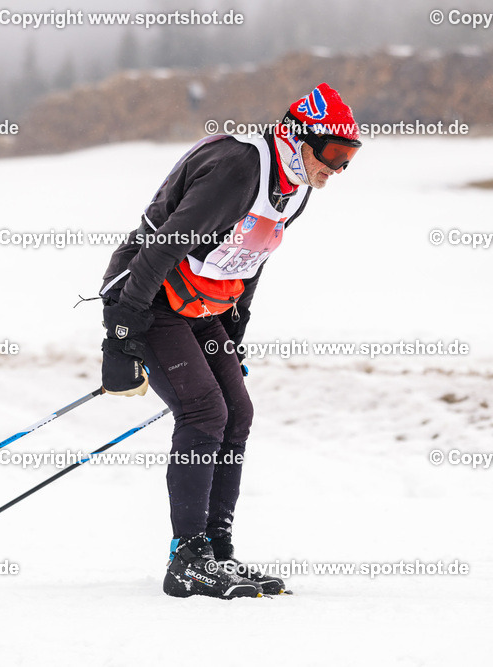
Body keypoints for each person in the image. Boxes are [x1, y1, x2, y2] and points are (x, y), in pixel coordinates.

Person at [98, 83, 361, 599]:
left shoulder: (294, 185)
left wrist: (234, 337)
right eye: (333, 152)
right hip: (149, 296)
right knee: (203, 414)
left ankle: (216, 551)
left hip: (203, 305)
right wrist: (122, 331)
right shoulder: (241, 169)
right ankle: (187, 558)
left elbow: (251, 259)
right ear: (299, 136)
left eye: (349, 157)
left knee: (236, 413)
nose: (339, 167)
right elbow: (164, 245)